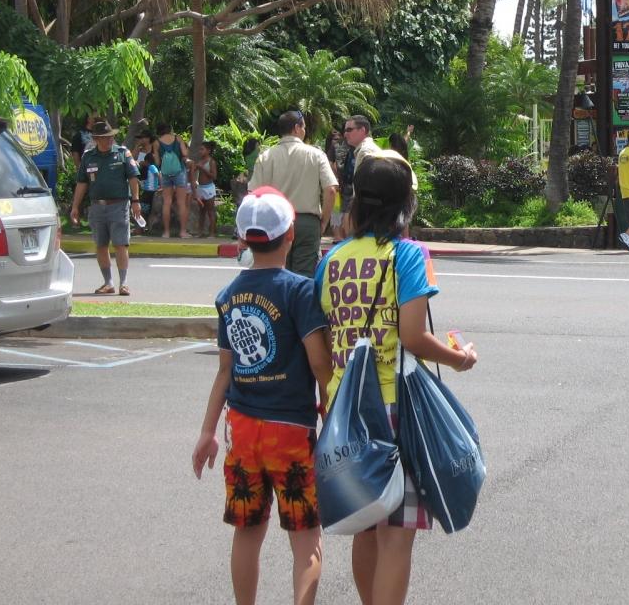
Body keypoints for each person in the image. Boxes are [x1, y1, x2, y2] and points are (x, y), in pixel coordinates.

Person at [315, 152, 477, 605]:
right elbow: (412, 336)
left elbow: (324, 341)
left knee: (366, 525)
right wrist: (458, 358)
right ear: (405, 204)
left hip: (345, 409)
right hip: (394, 406)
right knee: (397, 535)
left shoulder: (332, 259)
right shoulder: (407, 255)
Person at [192, 187, 332, 605]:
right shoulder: (300, 291)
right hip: (291, 431)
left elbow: (224, 370)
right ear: (291, 234)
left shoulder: (228, 295)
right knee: (306, 538)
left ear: (242, 239)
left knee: (247, 532)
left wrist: (207, 432)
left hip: (242, 429)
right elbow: (320, 365)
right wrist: (333, 417)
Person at [250, 111, 339, 277]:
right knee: (304, 276)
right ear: (297, 128)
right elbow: (331, 190)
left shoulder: (266, 156)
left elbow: (253, 194)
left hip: (275, 221)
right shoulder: (316, 154)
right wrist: (323, 222)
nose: (304, 130)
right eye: (303, 127)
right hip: (307, 222)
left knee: (276, 272)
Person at [70, 120, 142, 295]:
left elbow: (133, 178)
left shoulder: (122, 153)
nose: (109, 140)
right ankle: (108, 283)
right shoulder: (88, 157)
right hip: (97, 207)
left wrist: (136, 201)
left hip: (119, 205)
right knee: (101, 245)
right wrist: (75, 207)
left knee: (120, 244)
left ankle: (123, 283)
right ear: (96, 139)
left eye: (111, 137)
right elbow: (82, 183)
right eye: (105, 137)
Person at [154, 123, 192, 239]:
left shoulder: (156, 142)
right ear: (169, 129)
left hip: (166, 173)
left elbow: (157, 163)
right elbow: (185, 153)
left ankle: (166, 232)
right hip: (179, 171)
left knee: (167, 202)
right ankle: (183, 232)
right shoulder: (177, 138)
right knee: (181, 202)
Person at [191, 140, 219, 238]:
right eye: (200, 149)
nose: (200, 151)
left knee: (210, 211)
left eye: (202, 149)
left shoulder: (211, 162)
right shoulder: (200, 161)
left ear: (208, 151)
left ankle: (212, 233)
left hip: (209, 188)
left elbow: (214, 176)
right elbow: (193, 170)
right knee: (201, 211)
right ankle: (200, 232)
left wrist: (202, 168)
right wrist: (193, 167)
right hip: (201, 188)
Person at [133, 132, 159, 231]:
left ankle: (143, 227)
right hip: (140, 181)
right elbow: (131, 159)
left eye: (142, 138)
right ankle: (139, 226)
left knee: (145, 206)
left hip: (150, 184)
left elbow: (157, 165)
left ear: (148, 138)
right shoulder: (139, 150)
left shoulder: (153, 151)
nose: (140, 140)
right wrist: (137, 146)